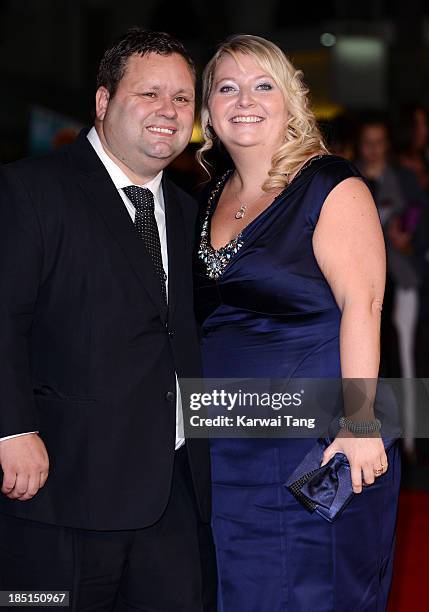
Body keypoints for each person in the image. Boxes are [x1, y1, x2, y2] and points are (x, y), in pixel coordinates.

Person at [0, 28, 215, 611]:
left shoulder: (188, 210)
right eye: (150, 95)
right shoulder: (31, 189)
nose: (168, 112)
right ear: (103, 102)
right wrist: (11, 429)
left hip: (172, 490)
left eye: (181, 99)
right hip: (64, 488)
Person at [194, 34, 400, 611]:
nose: (244, 99)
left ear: (290, 101)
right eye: (226, 87)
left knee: (311, 592)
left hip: (313, 444)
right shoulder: (208, 197)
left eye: (263, 85)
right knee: (236, 589)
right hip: (226, 447)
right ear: (208, 108)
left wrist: (359, 423)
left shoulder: (330, 184)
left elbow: (364, 304)